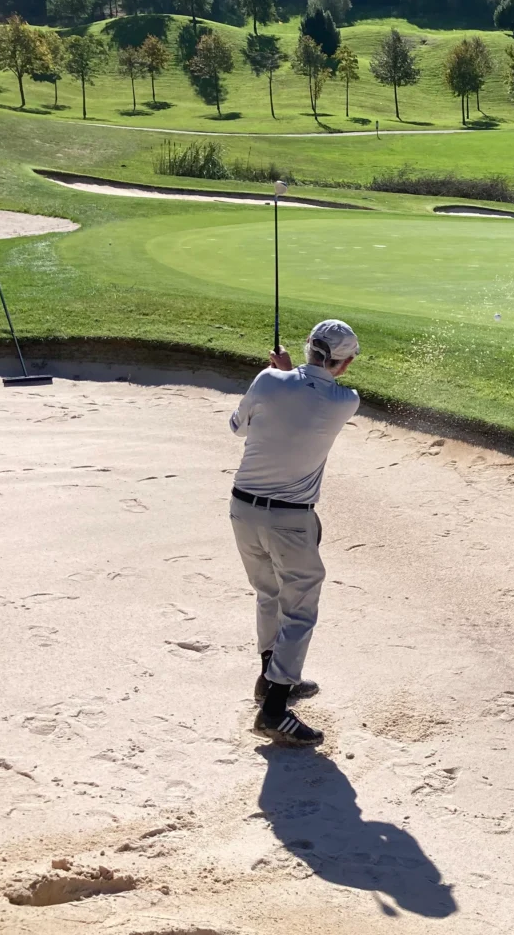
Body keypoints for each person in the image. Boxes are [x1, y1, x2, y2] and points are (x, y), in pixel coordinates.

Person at [228, 319, 361, 745]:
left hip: (243, 509)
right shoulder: (346, 401)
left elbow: (238, 427)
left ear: (308, 348)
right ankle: (274, 709)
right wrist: (292, 374)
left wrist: (280, 373)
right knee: (300, 609)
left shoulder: (269, 381)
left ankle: (269, 680)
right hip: (289, 519)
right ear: (346, 363)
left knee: (268, 594)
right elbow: (317, 388)